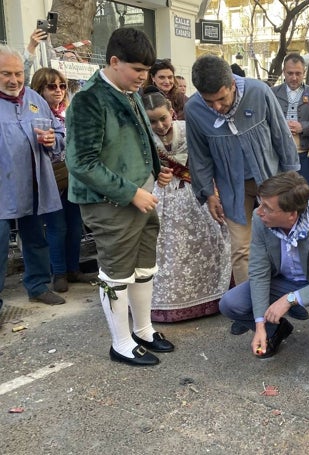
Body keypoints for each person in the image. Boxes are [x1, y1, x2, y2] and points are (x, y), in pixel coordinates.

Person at [65, 28, 175, 366]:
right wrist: (131, 193)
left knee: (144, 269)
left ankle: (142, 330)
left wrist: (157, 169)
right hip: (110, 202)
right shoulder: (89, 99)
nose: (144, 78)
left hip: (140, 196)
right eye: (137, 70)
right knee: (116, 274)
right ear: (113, 61)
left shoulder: (128, 91)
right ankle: (121, 342)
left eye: (146, 71)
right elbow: (81, 162)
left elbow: (141, 137)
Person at [185, 55, 299, 289]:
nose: (216, 107)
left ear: (233, 84)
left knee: (282, 242)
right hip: (232, 189)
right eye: (209, 102)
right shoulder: (194, 109)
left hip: (271, 181)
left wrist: (291, 181)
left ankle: (284, 297)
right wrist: (209, 194)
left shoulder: (259, 92)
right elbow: (199, 156)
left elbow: (281, 135)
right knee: (240, 249)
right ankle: (250, 307)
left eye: (221, 98)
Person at [219, 171, 309, 373]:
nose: (259, 211)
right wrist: (260, 324)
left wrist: (289, 300)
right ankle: (276, 330)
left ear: (292, 214)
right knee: (230, 304)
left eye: (267, 208)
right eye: (260, 203)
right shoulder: (260, 219)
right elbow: (259, 272)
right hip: (281, 280)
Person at [142, 91, 232, 322]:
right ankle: (164, 304)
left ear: (171, 111)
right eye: (152, 121)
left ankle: (209, 296)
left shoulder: (188, 129)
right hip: (160, 197)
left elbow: (206, 159)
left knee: (205, 242)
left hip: (194, 193)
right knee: (166, 249)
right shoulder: (143, 137)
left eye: (163, 118)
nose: (160, 125)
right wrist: (154, 174)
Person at [0, 45, 66, 308]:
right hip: (2, 186)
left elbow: (60, 133)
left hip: (34, 181)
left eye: (18, 73)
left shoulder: (35, 101)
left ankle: (37, 285)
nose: (14, 80)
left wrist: (53, 140)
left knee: (36, 237)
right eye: (6, 74)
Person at [30, 67, 95, 292]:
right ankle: (58, 273)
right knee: (57, 227)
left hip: (73, 177)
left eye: (62, 86)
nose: (58, 90)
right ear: (39, 88)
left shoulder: (70, 112)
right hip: (49, 178)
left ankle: (73, 269)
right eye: (51, 86)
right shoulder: (34, 114)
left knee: (76, 226)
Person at [271, 53, 309, 199]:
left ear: (304, 73)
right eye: (290, 73)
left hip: (306, 155)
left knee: (306, 198)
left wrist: (304, 127)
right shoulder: (272, 93)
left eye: (298, 73)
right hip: (279, 155)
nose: (294, 78)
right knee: (282, 198)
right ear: (283, 72)